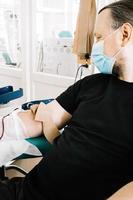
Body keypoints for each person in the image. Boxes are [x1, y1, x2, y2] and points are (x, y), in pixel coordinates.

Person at [1, 0, 133, 199]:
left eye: (98, 37)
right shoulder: (91, 84)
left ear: (124, 34)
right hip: (22, 192)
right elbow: (38, 119)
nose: (94, 46)